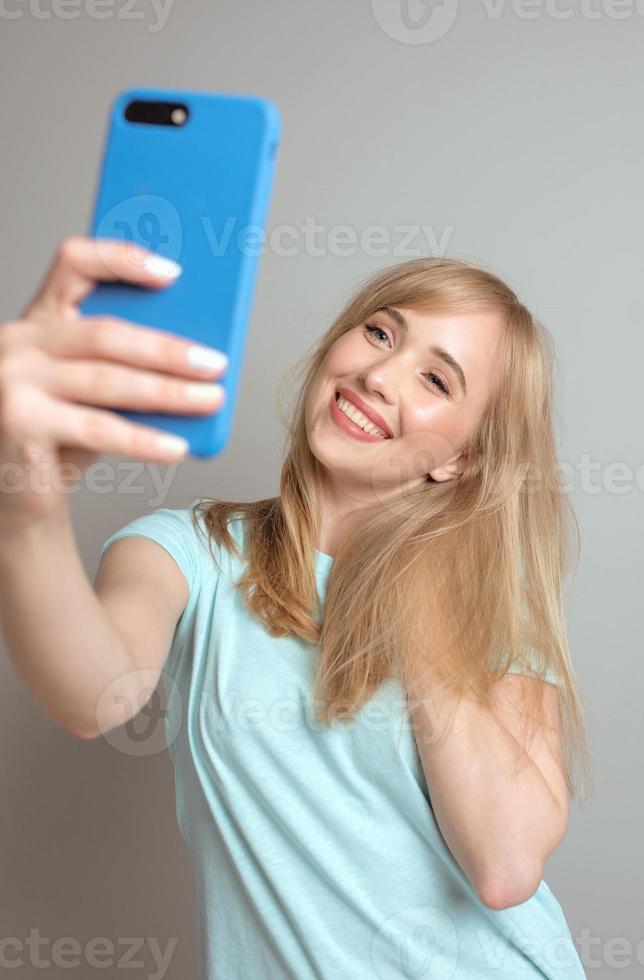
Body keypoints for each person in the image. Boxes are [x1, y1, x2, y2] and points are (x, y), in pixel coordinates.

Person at [0, 235, 593, 979]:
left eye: (435, 381)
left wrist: (413, 583)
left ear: (459, 459)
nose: (378, 375)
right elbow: (97, 697)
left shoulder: (488, 620)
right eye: (379, 331)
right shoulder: (191, 550)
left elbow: (504, 865)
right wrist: (29, 512)